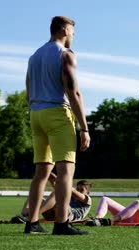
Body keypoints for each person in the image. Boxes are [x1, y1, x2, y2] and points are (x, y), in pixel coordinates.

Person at [25, 16, 90, 235]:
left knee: (41, 172)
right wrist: (84, 127)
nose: (73, 35)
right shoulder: (66, 54)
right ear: (64, 30)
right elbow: (74, 91)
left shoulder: (34, 56)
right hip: (57, 113)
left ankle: (32, 223)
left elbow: (28, 87)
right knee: (66, 170)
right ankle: (62, 224)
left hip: (36, 114)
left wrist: (35, 110)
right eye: (72, 31)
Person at [12, 173, 92, 224]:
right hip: (56, 214)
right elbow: (60, 186)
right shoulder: (71, 195)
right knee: (34, 197)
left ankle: (31, 217)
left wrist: (56, 178)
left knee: (57, 193)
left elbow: (69, 189)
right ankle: (23, 216)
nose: (79, 191)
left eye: (82, 190)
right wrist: (50, 177)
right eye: (78, 189)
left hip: (69, 216)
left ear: (88, 193)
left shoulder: (87, 200)